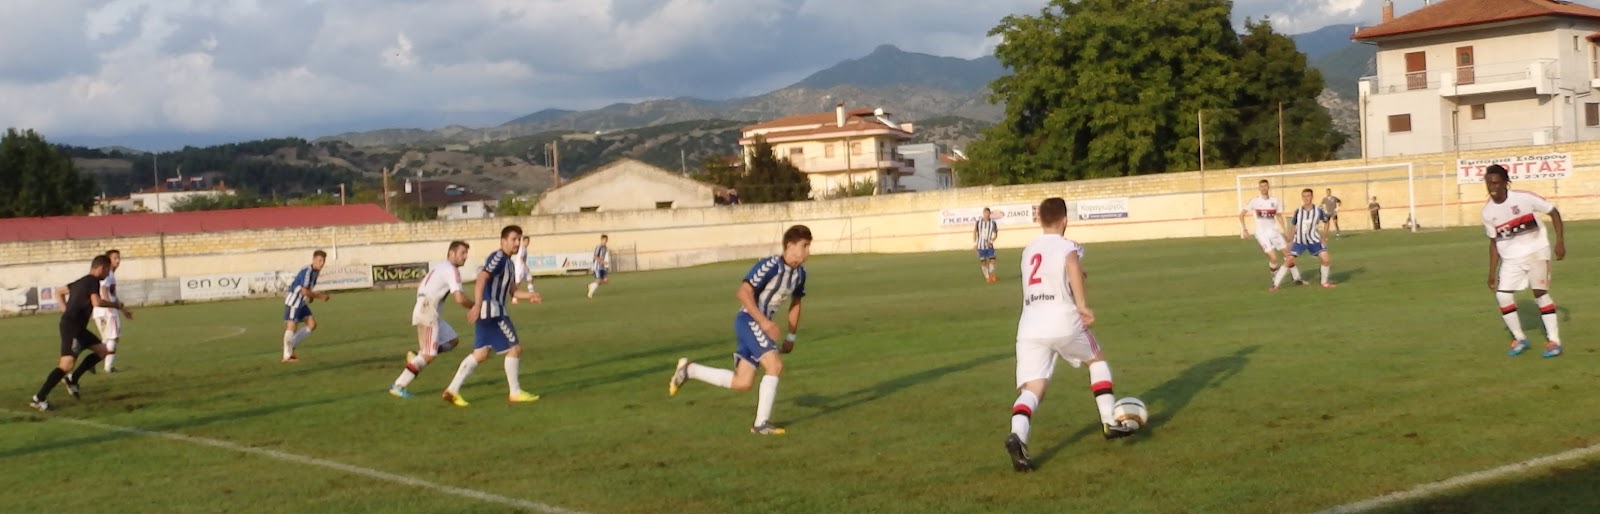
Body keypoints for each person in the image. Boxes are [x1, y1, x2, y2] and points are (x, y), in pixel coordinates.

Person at [1004, 198, 1136, 472]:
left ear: (1040, 220)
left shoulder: (1028, 250)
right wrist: (1082, 305)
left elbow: (1045, 276)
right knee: (1096, 360)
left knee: (1033, 388)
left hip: (1029, 326)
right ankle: (1109, 421)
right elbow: (1071, 265)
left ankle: (1017, 435)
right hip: (1062, 320)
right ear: (1065, 220)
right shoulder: (1067, 246)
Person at [669, 225, 811, 435]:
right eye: (804, 246)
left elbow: (796, 303)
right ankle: (761, 424)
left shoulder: (800, 274)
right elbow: (743, 293)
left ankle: (689, 370)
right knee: (774, 365)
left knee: (742, 382)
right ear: (789, 246)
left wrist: (791, 336)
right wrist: (764, 322)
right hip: (749, 320)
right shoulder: (770, 265)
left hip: (758, 325)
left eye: (808, 246)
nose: (808, 251)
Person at [441, 225, 543, 407]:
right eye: (513, 239)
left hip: (489, 312)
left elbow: (513, 291)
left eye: (519, 239)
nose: (517, 243)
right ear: (503, 241)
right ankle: (515, 392)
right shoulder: (498, 257)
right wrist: (478, 305)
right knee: (514, 348)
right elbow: (482, 278)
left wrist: (530, 295)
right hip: (493, 312)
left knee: (480, 354)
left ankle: (452, 390)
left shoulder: (509, 263)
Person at [1481, 164, 1566, 358]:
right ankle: (1520, 338)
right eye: (1488, 183)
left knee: (1540, 294)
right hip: (1511, 259)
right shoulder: (1487, 212)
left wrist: (1560, 241)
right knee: (1502, 296)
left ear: (1505, 182)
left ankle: (1554, 341)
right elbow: (1494, 243)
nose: (1492, 187)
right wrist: (1492, 272)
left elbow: (1553, 212)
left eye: (1496, 183)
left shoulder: (1524, 198)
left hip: (1537, 252)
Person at [29, 255, 132, 411]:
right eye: (107, 270)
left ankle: (72, 379)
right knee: (66, 365)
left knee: (102, 351)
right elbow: (97, 302)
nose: (107, 274)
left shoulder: (80, 281)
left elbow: (59, 292)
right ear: (101, 268)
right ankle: (39, 398)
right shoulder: (93, 281)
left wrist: (66, 312)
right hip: (73, 328)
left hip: (77, 327)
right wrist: (116, 305)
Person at [389, 241, 475, 398]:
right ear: (451, 253)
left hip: (426, 308)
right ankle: (398, 385)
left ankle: (417, 355)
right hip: (428, 311)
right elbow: (460, 298)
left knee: (452, 340)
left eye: (466, 253)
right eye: (462, 253)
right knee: (429, 355)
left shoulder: (440, 266)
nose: (465, 257)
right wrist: (476, 307)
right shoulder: (452, 270)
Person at [1239, 179, 1302, 287]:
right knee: (1273, 258)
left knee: (1288, 254)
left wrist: (1285, 231)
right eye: (1262, 186)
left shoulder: (1275, 201)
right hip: (1261, 234)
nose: (1264, 188)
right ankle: (1274, 277)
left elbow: (1278, 216)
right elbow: (1241, 215)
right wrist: (1244, 230)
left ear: (1268, 187)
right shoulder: (1255, 201)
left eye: (1265, 186)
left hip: (1274, 232)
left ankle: (1296, 278)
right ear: (1259, 188)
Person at [1274, 189, 1336, 290]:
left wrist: (1324, 238)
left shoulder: (1318, 210)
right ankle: (1275, 285)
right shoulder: (1298, 211)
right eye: (1304, 196)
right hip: (1300, 241)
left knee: (1326, 260)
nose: (1306, 198)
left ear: (1312, 197)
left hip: (1314, 240)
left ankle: (1324, 283)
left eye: (1308, 196)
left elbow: (1326, 222)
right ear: (1302, 197)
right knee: (1289, 260)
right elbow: (1294, 226)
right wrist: (1290, 241)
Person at [281, 250, 329, 363]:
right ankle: (287, 355)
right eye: (319, 260)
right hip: (294, 301)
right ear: (314, 260)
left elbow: (307, 289)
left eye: (323, 261)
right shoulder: (307, 271)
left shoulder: (316, 271)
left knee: (312, 324)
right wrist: (320, 297)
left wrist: (310, 297)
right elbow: (303, 290)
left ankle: (290, 345)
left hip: (302, 302)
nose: (322, 263)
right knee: (292, 327)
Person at [92, 249, 128, 373]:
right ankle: (109, 367)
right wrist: (109, 305)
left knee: (107, 339)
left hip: (99, 311)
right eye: (115, 258)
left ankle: (92, 361)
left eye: (119, 258)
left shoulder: (109, 274)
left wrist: (124, 310)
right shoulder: (108, 274)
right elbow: (103, 288)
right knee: (113, 338)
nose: (118, 261)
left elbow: (113, 294)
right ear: (108, 260)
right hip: (107, 311)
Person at [974, 208, 1000, 283]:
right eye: (985, 213)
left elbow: (995, 234)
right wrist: (975, 244)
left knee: (993, 260)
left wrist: (991, 241)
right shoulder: (978, 222)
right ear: (983, 213)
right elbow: (975, 232)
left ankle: (991, 274)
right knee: (983, 262)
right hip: (980, 245)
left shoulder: (993, 223)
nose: (986, 214)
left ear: (989, 214)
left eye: (988, 213)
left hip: (989, 245)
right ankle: (987, 277)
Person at [588, 234, 610, 298]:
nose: (605, 241)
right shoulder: (598, 247)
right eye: (604, 240)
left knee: (605, 280)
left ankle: (591, 285)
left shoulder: (605, 248)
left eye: (606, 240)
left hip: (602, 267)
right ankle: (590, 293)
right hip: (597, 266)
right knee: (598, 280)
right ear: (601, 240)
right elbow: (595, 256)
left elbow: (603, 257)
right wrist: (602, 262)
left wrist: (604, 263)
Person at [512, 235, 533, 304]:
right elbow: (521, 258)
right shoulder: (521, 248)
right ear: (523, 241)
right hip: (519, 268)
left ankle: (532, 297)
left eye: (528, 241)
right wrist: (526, 266)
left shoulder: (524, 248)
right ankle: (514, 299)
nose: (527, 242)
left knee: (530, 279)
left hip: (523, 268)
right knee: (517, 283)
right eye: (526, 241)